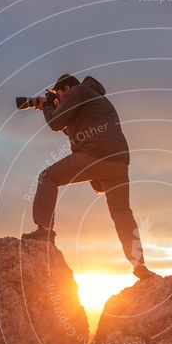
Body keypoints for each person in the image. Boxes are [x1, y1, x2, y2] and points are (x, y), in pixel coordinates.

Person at [21, 73, 157, 280]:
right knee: (121, 212)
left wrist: (48, 108)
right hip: (118, 162)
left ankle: (44, 231)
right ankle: (140, 266)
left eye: (58, 95)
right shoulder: (93, 98)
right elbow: (70, 130)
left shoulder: (78, 91)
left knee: (47, 177)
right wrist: (48, 107)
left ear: (66, 88)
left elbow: (56, 122)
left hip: (96, 155)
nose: (59, 99)